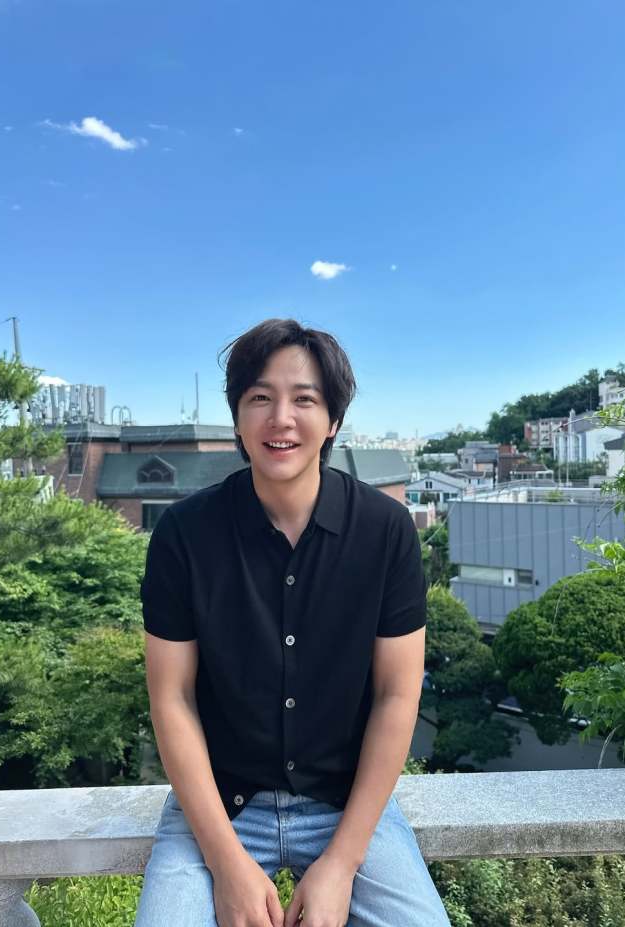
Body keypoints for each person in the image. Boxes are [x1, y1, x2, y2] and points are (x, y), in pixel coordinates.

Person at [134, 318, 452, 927]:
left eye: (304, 399)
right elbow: (171, 696)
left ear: (332, 420)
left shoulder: (384, 532)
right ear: (237, 417)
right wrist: (227, 866)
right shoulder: (184, 534)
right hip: (218, 804)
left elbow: (396, 693)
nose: (281, 418)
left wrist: (340, 864)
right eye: (260, 398)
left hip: (347, 802)